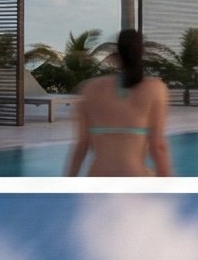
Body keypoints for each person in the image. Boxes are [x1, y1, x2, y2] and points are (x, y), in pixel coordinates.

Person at [62, 28, 172, 177]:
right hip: (134, 179)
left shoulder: (90, 88)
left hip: (97, 180)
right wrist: (168, 184)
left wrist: (68, 183)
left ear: (116, 54)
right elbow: (158, 146)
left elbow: (81, 146)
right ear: (141, 53)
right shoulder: (155, 89)